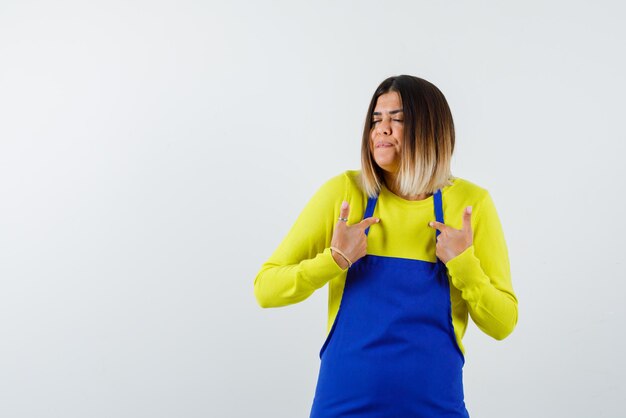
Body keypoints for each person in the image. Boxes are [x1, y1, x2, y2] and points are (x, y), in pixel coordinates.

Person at [253, 75, 518, 417]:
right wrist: (334, 259)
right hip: (343, 408)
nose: (382, 129)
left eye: (398, 119)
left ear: (432, 130)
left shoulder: (471, 205)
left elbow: (503, 324)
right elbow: (266, 289)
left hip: (436, 408)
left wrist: (464, 265)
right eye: (376, 120)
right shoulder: (344, 194)